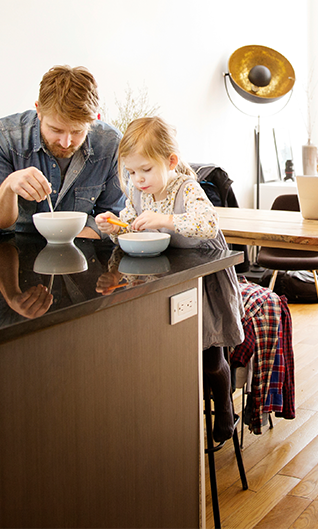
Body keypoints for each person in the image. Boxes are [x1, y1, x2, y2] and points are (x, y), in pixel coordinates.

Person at [96, 116, 244, 441]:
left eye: (145, 170)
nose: (137, 180)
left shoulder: (186, 188)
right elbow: (130, 224)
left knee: (209, 353)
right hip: (166, 278)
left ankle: (225, 407)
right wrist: (113, 227)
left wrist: (165, 219)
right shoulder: (139, 193)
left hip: (205, 279)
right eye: (131, 172)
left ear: (171, 161)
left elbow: (207, 224)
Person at [0, 65, 125, 238]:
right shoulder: (2, 137)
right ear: (39, 110)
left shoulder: (111, 144)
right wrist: (9, 186)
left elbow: (113, 217)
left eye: (77, 131)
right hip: (14, 252)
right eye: (56, 130)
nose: (66, 142)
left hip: (82, 249)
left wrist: (61, 241)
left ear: (95, 120)